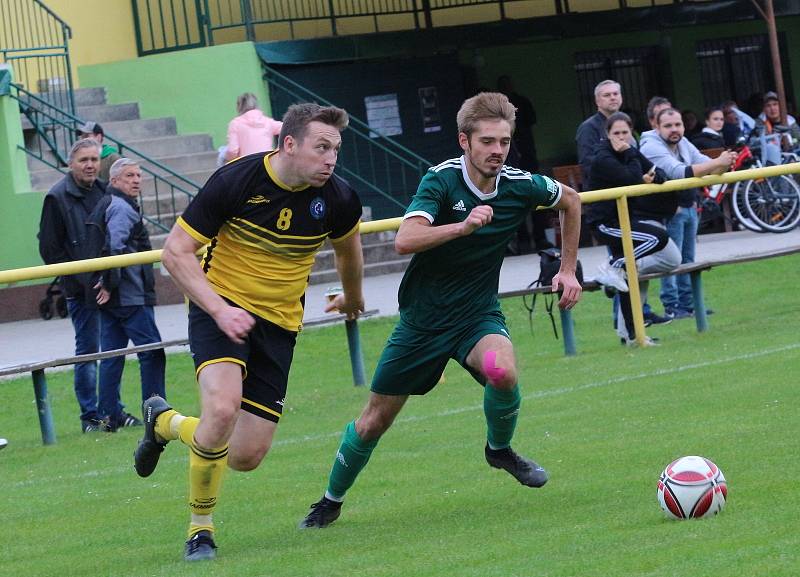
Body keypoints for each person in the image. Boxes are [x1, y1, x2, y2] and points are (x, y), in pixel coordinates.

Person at [298, 92, 582, 530]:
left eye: (504, 141)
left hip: (476, 320)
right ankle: (329, 501)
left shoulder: (520, 184)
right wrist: (462, 226)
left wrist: (567, 270)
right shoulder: (441, 181)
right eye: (488, 141)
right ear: (464, 141)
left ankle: (499, 450)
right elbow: (404, 240)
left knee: (502, 371)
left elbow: (571, 201)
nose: (498, 151)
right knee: (374, 421)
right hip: (422, 326)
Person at [133, 103, 365, 561]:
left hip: (279, 323)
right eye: (322, 147)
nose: (331, 158)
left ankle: (165, 423)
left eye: (336, 149)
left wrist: (353, 299)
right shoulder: (236, 181)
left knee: (244, 455)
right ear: (289, 144)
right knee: (221, 410)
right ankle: (201, 530)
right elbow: (176, 254)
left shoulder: (338, 198)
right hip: (219, 305)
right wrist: (219, 311)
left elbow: (348, 253)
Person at [587, 112, 681, 345]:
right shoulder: (603, 157)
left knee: (628, 275)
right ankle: (612, 266)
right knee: (658, 238)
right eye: (616, 133)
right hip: (606, 224)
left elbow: (658, 174)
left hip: (625, 220)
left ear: (632, 133)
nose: (621, 138)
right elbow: (631, 180)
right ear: (607, 135)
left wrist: (647, 173)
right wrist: (634, 162)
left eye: (625, 133)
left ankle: (632, 335)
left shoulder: (630, 151)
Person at [38, 139, 111, 433]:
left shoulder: (105, 192)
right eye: (84, 160)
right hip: (81, 291)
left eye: (94, 159)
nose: (91, 165)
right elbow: (50, 249)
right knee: (88, 350)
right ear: (71, 164)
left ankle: (113, 410)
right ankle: (89, 416)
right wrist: (80, 282)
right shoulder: (56, 197)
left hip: (109, 285)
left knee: (114, 350)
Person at [640, 108, 736, 318]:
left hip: (689, 205)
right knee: (671, 261)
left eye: (678, 125)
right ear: (656, 127)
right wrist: (718, 162)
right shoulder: (651, 146)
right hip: (668, 210)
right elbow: (679, 172)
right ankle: (672, 305)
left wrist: (724, 162)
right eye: (668, 126)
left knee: (688, 259)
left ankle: (688, 304)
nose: (674, 129)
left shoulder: (682, 142)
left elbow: (705, 165)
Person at [96, 158, 165, 431]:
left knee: (112, 356)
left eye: (138, 175)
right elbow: (114, 248)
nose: (136, 180)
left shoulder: (110, 203)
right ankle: (156, 411)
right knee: (152, 352)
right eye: (129, 176)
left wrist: (106, 284)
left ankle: (108, 417)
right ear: (114, 181)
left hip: (117, 295)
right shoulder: (121, 208)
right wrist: (110, 283)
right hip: (130, 295)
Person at [497, 75, 552, 253]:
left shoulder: (522, 102)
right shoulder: (498, 109)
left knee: (536, 197)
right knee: (514, 201)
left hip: (528, 157)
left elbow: (531, 122)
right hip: (511, 162)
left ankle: (539, 238)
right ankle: (523, 240)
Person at [576, 79, 623, 186]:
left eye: (616, 94)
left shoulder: (625, 123)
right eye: (607, 95)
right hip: (603, 192)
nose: (612, 97)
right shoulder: (588, 128)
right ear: (597, 101)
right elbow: (588, 163)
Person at [222, 92, 283, 163]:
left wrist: (227, 159)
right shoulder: (268, 122)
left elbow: (233, 151)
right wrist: (278, 150)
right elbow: (289, 127)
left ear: (239, 106)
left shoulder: (235, 124)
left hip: (247, 165)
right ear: (257, 105)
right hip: (268, 163)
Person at [751, 91, 800, 165]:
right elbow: (754, 145)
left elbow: (798, 139)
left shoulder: (791, 122)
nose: (772, 108)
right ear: (764, 109)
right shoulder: (758, 125)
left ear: (781, 106)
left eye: (775, 104)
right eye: (768, 105)